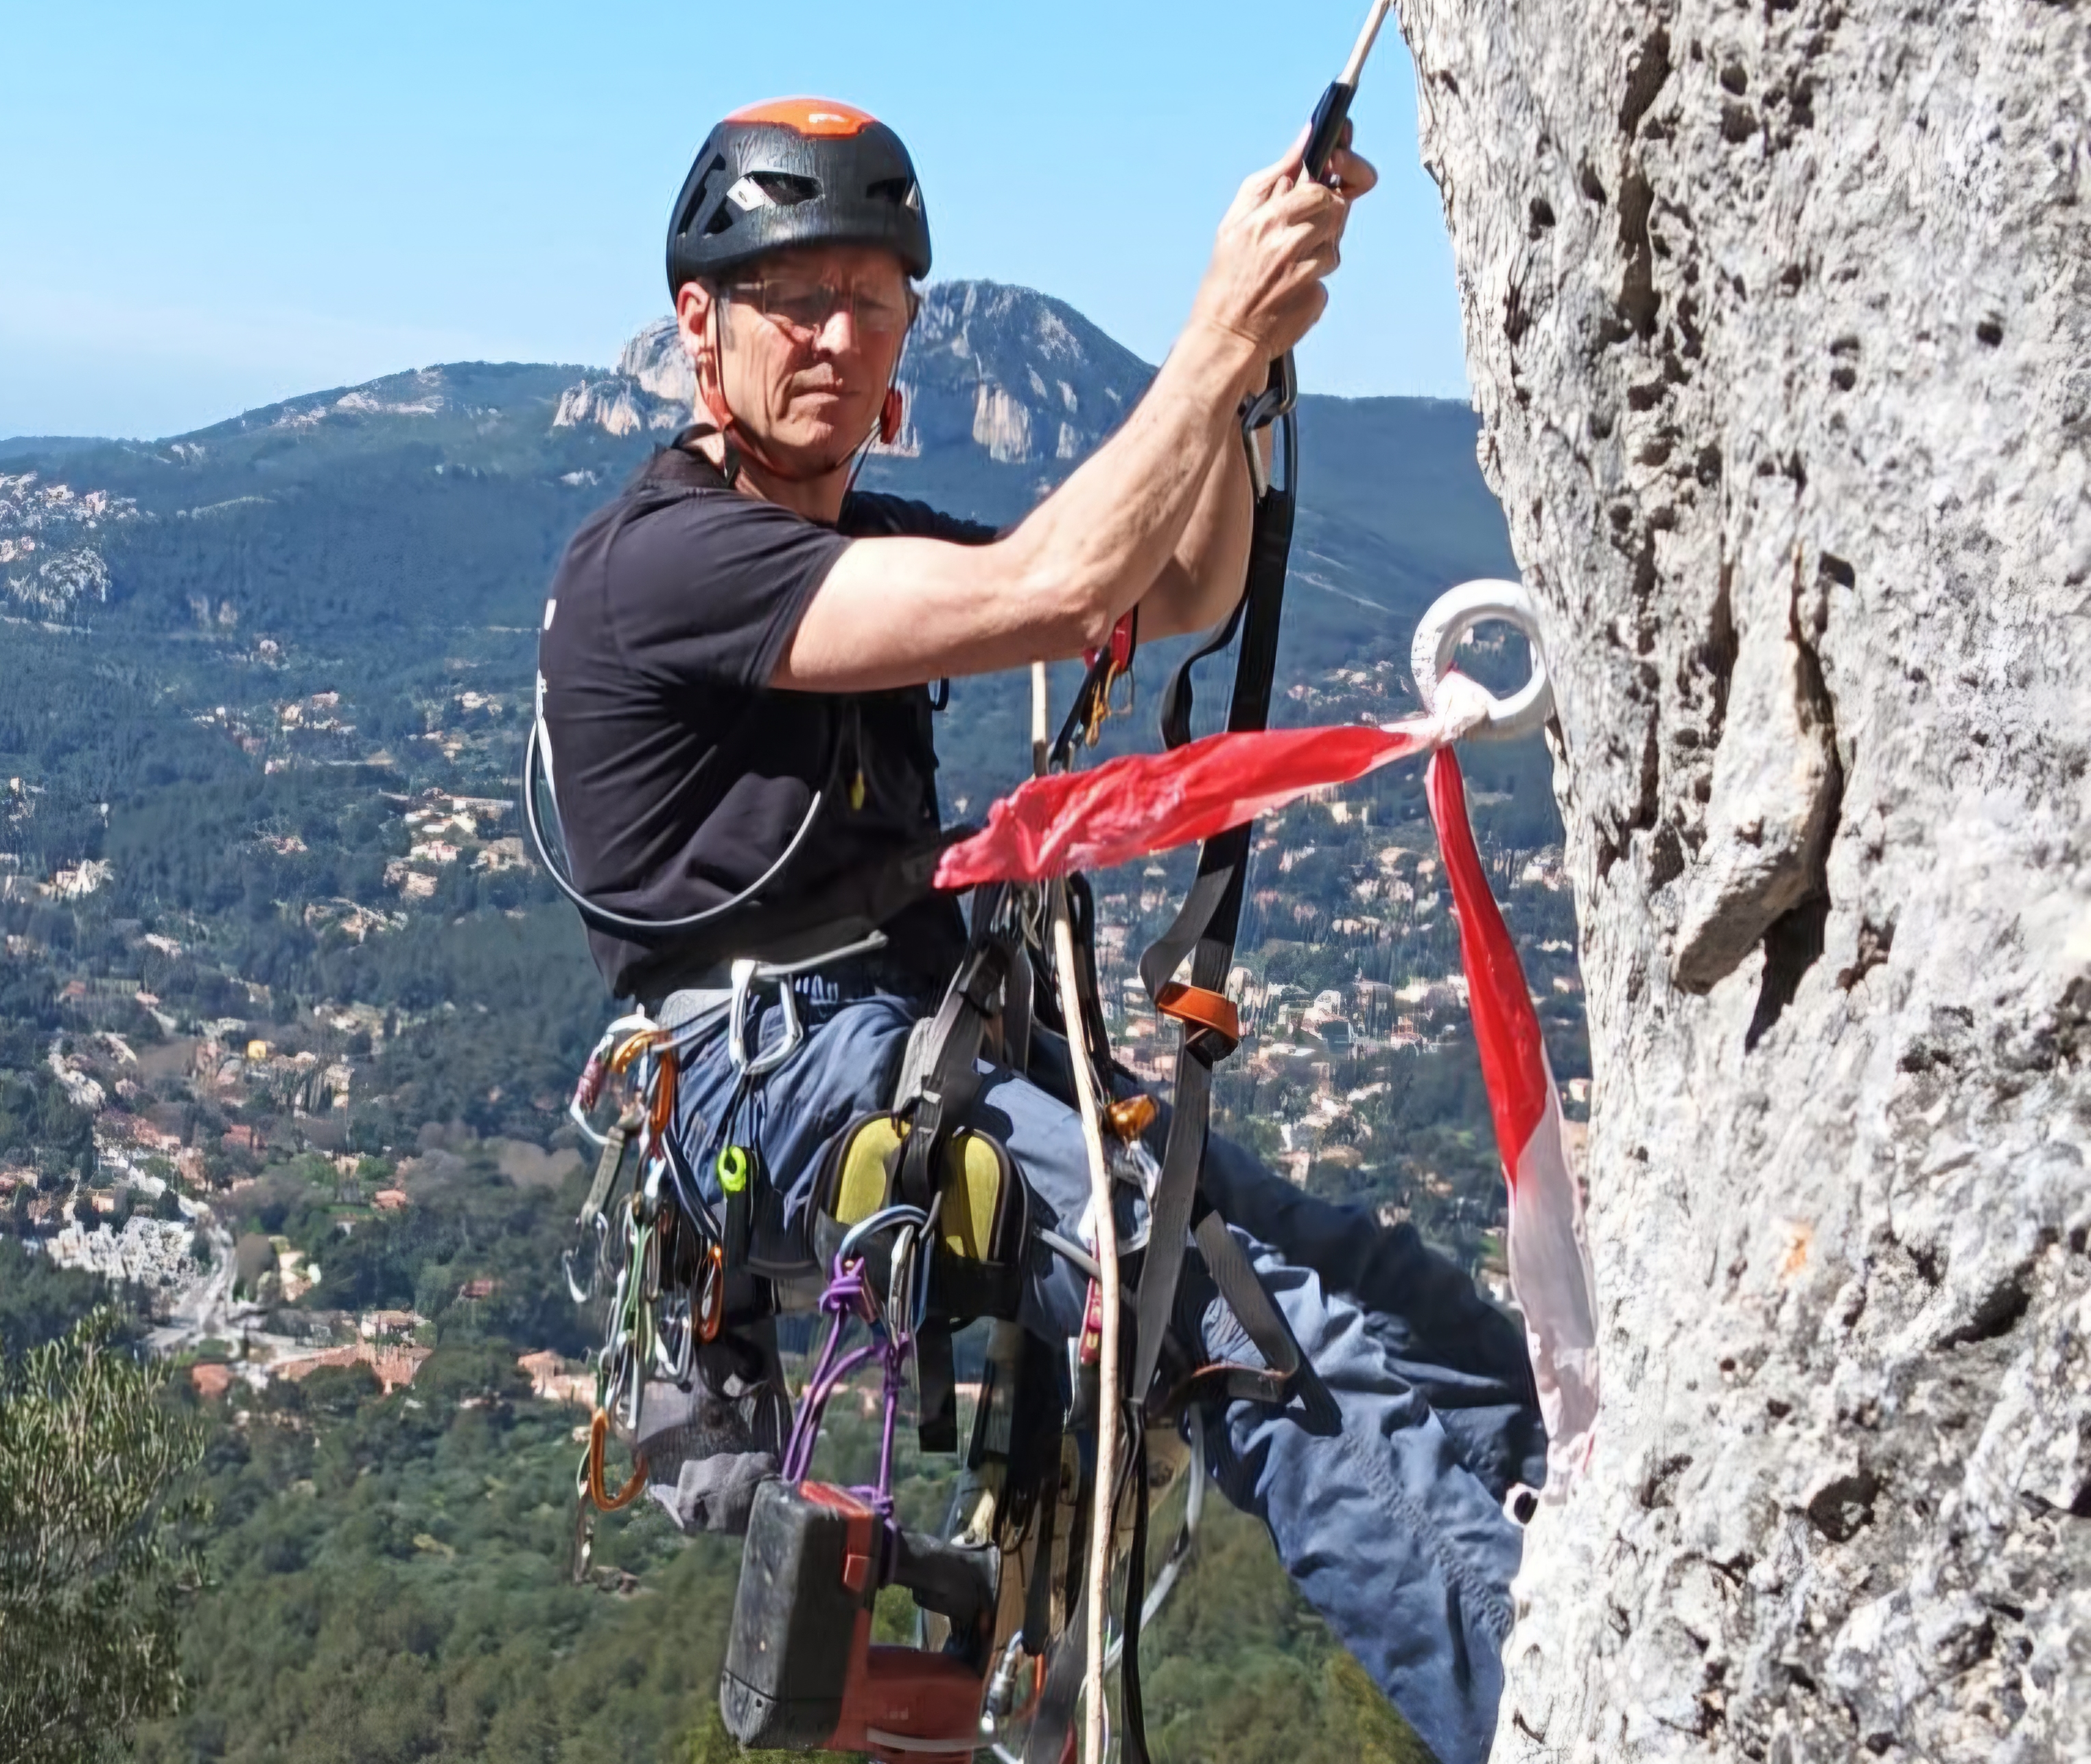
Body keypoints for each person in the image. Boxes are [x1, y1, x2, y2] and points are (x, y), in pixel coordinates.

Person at [535, 97, 1545, 1764]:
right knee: (1216, 1311)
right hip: (766, 1069)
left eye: (870, 302)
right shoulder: (666, 560)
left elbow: (1173, 592)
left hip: (910, 1050)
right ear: (697, 327)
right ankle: (1548, 1713)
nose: (835, 336)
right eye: (794, 300)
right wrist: (1209, 328)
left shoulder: (859, 539)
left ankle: (1590, 1562)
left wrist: (1237, 369)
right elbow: (1056, 588)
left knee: (1374, 1290)